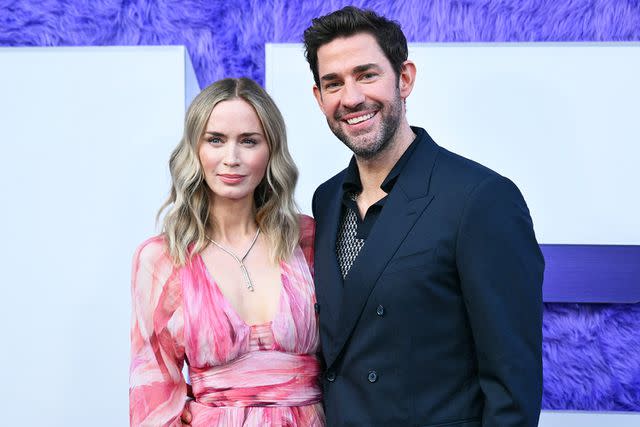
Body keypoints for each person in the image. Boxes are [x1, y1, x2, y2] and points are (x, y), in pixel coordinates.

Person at [303, 6, 544, 427]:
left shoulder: (481, 199)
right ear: (319, 98)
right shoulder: (325, 200)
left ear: (405, 78)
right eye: (334, 83)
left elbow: (512, 387)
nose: (352, 97)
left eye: (367, 74)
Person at [129, 77, 324, 426]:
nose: (231, 158)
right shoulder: (161, 258)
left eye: (249, 141)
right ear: (195, 150)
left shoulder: (308, 239)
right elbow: (153, 392)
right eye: (215, 140)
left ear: (271, 151)